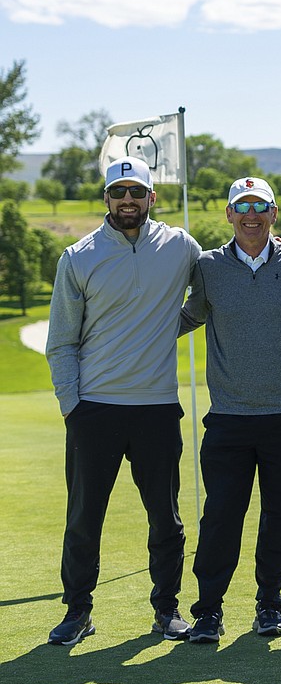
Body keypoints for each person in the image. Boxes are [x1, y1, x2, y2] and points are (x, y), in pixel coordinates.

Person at [45, 156, 201, 645]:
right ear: (106, 199)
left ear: (152, 197)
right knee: (85, 517)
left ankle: (166, 610)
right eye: (119, 193)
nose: (127, 200)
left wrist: (167, 328)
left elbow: (214, 286)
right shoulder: (78, 256)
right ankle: (77, 612)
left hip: (156, 408)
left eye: (137, 192)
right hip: (95, 409)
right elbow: (61, 340)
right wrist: (73, 406)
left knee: (166, 518)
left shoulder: (180, 246)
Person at [179, 177, 281, 643]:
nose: (251, 214)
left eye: (261, 206)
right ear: (229, 214)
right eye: (242, 206)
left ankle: (270, 605)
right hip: (229, 418)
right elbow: (191, 314)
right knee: (220, 518)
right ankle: (208, 612)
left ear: (275, 214)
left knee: (280, 519)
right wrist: (123, 331)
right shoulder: (208, 266)